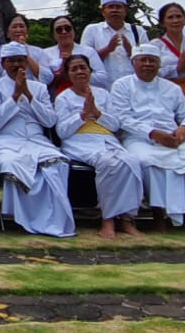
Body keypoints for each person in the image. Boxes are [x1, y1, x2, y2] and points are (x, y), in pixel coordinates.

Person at [109, 44, 185, 235]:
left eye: (152, 60)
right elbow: (122, 118)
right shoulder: (122, 85)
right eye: (142, 60)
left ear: (159, 64)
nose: (147, 64)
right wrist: (153, 133)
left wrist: (184, 128)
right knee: (150, 163)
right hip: (139, 139)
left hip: (173, 138)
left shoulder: (171, 87)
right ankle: (158, 217)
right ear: (133, 63)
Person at [0, 42, 75, 238]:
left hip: (37, 141)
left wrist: (28, 93)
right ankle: (24, 220)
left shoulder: (39, 88)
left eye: (20, 60)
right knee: (12, 163)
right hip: (7, 141)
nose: (16, 64)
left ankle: (53, 220)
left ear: (26, 62)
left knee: (57, 164)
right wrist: (16, 95)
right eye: (11, 61)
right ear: (3, 63)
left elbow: (50, 121)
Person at [54, 54, 144, 239]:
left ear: (90, 71)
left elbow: (115, 125)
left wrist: (96, 112)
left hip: (106, 139)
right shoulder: (63, 98)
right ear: (68, 74)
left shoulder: (103, 94)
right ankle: (108, 219)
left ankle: (126, 219)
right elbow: (62, 131)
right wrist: (82, 114)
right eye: (74, 69)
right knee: (108, 164)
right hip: (79, 142)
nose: (79, 72)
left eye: (83, 68)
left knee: (131, 162)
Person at [81, 0, 148, 89]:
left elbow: (149, 61)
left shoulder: (138, 31)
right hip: (102, 89)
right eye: (110, 7)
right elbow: (83, 61)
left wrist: (131, 51)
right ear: (103, 11)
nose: (115, 10)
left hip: (134, 89)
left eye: (118, 7)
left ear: (125, 10)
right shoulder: (92, 30)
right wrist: (108, 49)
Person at [41, 16, 103, 99]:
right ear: (53, 34)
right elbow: (43, 81)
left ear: (74, 31)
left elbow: (102, 78)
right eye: (59, 30)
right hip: (55, 99)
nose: (64, 32)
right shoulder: (45, 54)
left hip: (86, 97)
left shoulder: (88, 51)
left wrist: (79, 74)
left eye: (67, 28)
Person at [4, 14, 53, 88]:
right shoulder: (1, 51)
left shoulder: (39, 52)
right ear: (7, 33)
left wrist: (24, 52)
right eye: (14, 27)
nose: (18, 30)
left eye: (21, 26)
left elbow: (47, 79)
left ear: (27, 31)